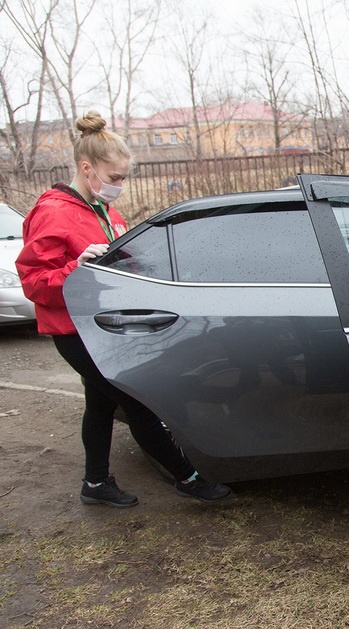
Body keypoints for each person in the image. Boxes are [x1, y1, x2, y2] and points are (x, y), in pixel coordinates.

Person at [15, 110, 231, 508]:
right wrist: (74, 267)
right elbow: (34, 282)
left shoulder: (105, 211)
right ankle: (188, 478)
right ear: (87, 167)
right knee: (136, 401)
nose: (120, 186)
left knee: (100, 403)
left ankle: (96, 484)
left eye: (123, 178)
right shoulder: (53, 212)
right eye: (114, 178)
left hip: (103, 326)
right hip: (73, 331)